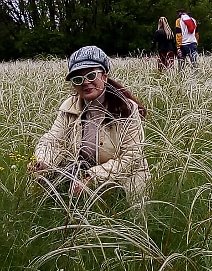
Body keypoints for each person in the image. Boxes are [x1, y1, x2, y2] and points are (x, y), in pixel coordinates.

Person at [28, 45, 151, 205]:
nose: (85, 83)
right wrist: (43, 161)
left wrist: (92, 177)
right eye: (78, 79)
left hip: (123, 177)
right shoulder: (68, 106)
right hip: (82, 173)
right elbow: (52, 140)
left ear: (104, 76)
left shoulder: (126, 109)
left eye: (91, 75)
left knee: (123, 208)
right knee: (43, 183)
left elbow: (131, 156)